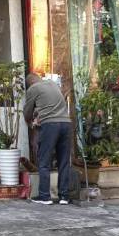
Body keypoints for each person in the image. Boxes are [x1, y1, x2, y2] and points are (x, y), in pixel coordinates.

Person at [24, 73, 72, 205]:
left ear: (30, 84)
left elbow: (27, 111)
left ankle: (45, 196)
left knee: (44, 160)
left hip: (50, 125)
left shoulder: (33, 88)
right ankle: (64, 196)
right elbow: (51, 105)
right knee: (63, 161)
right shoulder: (53, 84)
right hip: (66, 123)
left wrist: (30, 122)